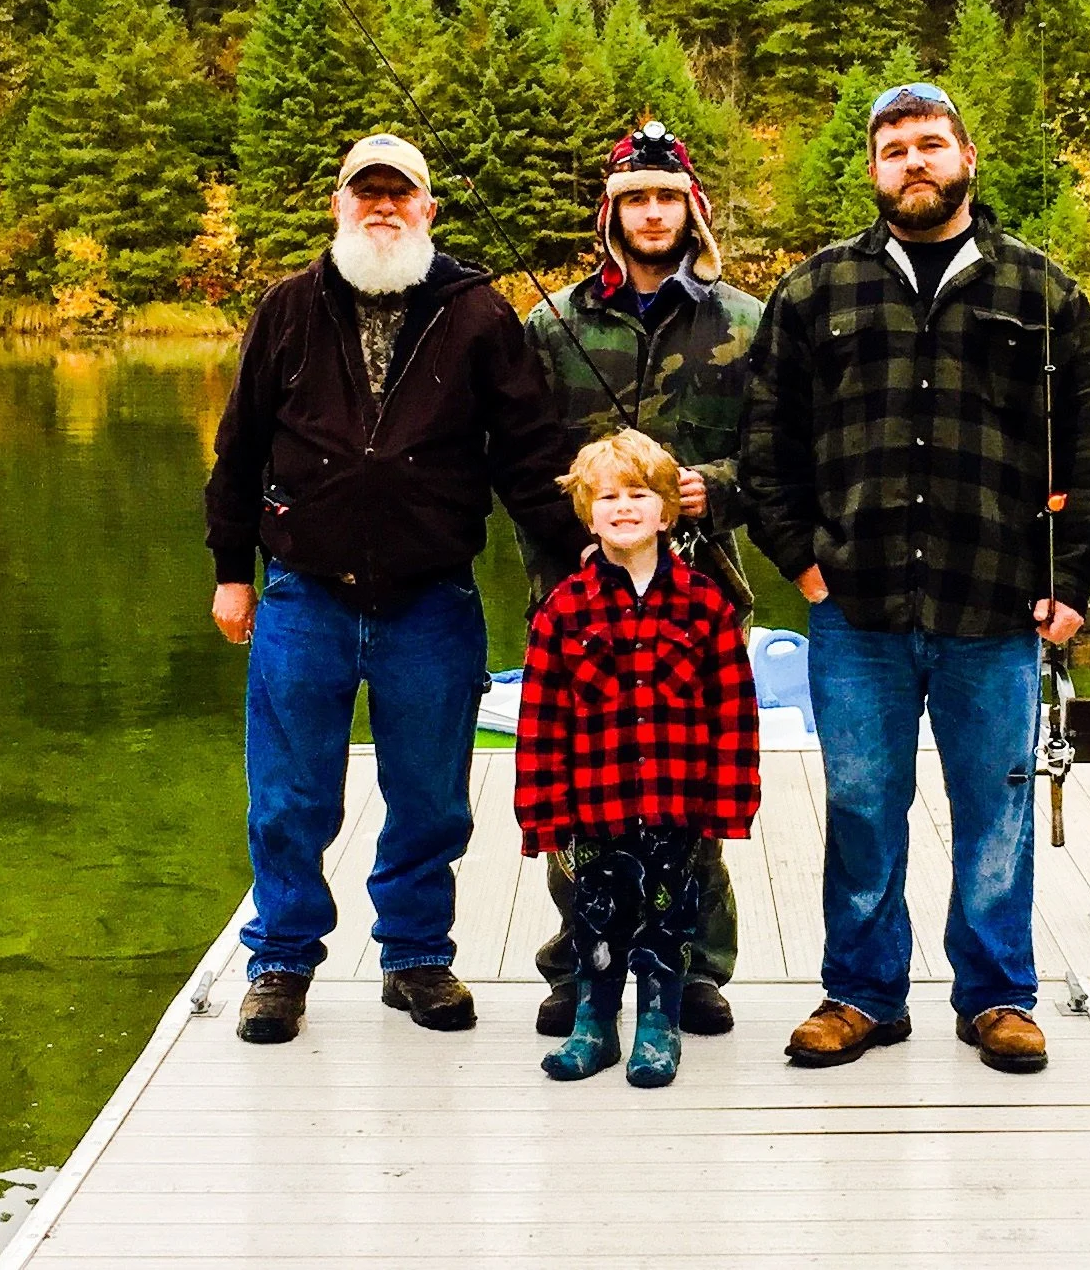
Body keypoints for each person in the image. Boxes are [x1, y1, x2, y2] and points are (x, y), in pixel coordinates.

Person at [740, 83, 1090, 1075]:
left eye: (931, 142)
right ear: (872, 169)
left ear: (966, 156)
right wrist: (801, 562)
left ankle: (997, 995)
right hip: (855, 607)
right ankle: (861, 993)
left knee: (998, 804)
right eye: (894, 146)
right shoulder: (815, 291)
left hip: (992, 606)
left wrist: (1070, 582)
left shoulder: (1043, 291)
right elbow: (766, 440)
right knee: (863, 803)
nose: (914, 159)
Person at [203, 132, 588, 1046]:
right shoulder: (289, 307)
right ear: (337, 206)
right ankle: (282, 960)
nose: (381, 207)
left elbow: (531, 458)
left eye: (399, 194)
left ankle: (415, 953)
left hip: (431, 598)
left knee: (430, 796)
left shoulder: (479, 313)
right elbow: (240, 444)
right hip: (304, 593)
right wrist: (230, 572)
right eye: (363, 193)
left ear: (428, 209)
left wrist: (587, 565)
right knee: (290, 797)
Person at [522, 120, 764, 1039]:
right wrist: (573, 536)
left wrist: (722, 490)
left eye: (667, 196)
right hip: (577, 598)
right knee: (584, 792)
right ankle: (583, 960)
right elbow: (522, 461)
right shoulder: (551, 326)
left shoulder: (745, 320)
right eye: (635, 198)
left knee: (687, 785)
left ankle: (695, 965)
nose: (652, 212)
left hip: (702, 597)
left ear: (690, 206)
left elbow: (780, 453)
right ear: (610, 212)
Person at [515, 430, 761, 1089]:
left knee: (668, 918)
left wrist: (729, 803)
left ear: (667, 509)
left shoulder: (705, 606)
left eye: (640, 494)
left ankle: (659, 1025)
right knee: (593, 921)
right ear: (587, 511)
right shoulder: (562, 611)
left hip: (675, 805)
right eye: (609, 497)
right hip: (594, 810)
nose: (624, 507)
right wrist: (542, 816)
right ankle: (594, 1026)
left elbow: (734, 713)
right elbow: (540, 723)